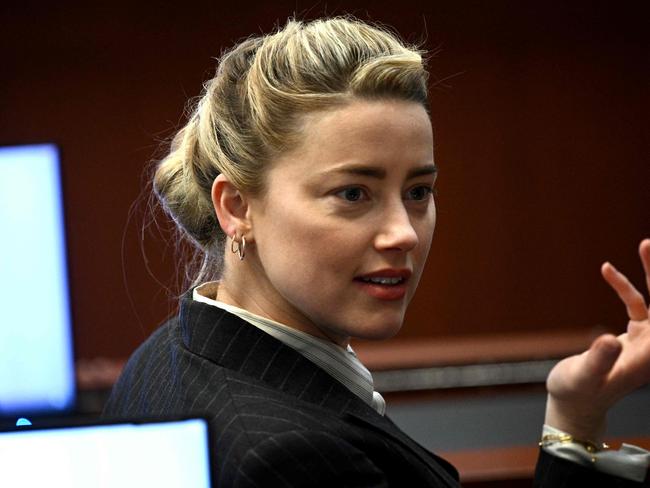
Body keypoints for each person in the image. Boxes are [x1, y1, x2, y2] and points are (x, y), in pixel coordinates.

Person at [103, 17, 650, 487]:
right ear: (238, 207)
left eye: (418, 192)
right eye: (353, 194)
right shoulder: (296, 463)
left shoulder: (171, 348)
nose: (404, 234)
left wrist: (573, 420)